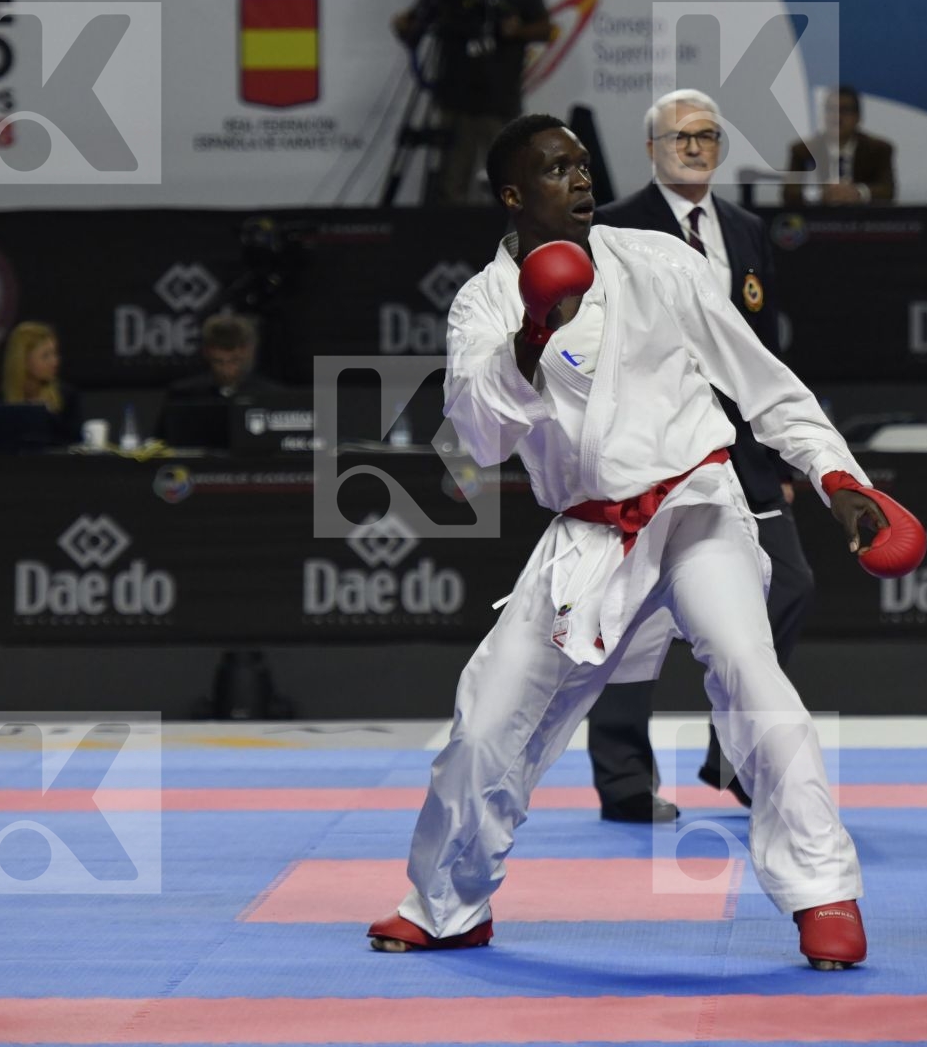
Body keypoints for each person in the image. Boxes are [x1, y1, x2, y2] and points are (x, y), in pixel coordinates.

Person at [369, 113, 889, 970]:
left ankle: (822, 891)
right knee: (487, 721)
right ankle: (447, 903)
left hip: (697, 508)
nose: (581, 180)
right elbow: (479, 439)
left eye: (582, 164)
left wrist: (838, 479)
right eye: (556, 169)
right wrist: (533, 334)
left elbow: (764, 385)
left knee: (750, 671)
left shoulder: (660, 261)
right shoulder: (485, 302)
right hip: (589, 535)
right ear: (512, 196)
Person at [587, 88, 811, 821]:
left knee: (789, 582)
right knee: (626, 618)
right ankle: (624, 780)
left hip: (737, 448)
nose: (693, 146)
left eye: (706, 135)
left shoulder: (744, 229)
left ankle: (735, 753)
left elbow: (761, 351)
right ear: (651, 149)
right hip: (646, 447)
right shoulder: (612, 227)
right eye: (678, 136)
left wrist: (781, 458)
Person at [391, 0, 552, 205]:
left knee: (508, 179)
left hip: (499, 95)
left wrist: (517, 30)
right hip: (454, 96)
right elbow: (419, 20)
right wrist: (406, 26)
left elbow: (545, 29)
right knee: (452, 182)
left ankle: (509, 232)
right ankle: (451, 234)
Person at [155, 313, 268, 448]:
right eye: (219, 361)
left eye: (235, 361)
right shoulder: (182, 396)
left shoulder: (271, 397)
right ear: (207, 352)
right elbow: (159, 447)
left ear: (249, 352)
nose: (227, 370)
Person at [782, 86, 897, 205]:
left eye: (844, 110)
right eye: (831, 110)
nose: (837, 117)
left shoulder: (878, 149)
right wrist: (820, 194)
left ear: (857, 117)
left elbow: (887, 190)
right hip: (818, 216)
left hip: (862, 215)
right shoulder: (803, 150)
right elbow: (789, 192)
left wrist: (858, 192)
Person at [0, 321, 81, 450]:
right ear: (23, 360)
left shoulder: (67, 397)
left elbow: (74, 443)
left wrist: (48, 416)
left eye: (55, 354)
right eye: (46, 356)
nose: (55, 361)